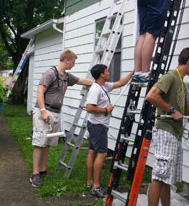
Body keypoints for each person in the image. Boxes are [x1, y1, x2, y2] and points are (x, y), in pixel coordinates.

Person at [146, 47, 189, 206]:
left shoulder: (181, 81)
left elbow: (185, 107)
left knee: (167, 178)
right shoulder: (171, 77)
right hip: (165, 131)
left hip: (174, 133)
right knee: (159, 177)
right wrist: (172, 111)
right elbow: (151, 96)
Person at [30, 49, 93, 187]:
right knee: (39, 143)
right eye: (73, 62)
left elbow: (82, 80)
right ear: (66, 60)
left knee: (47, 143)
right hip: (45, 112)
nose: (74, 65)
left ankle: (42, 170)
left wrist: (98, 83)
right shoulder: (50, 73)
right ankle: (34, 174)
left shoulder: (66, 76)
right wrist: (43, 111)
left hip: (56, 113)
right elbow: (40, 92)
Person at [86, 64, 133, 198]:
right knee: (101, 154)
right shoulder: (96, 89)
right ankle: (95, 186)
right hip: (98, 126)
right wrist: (106, 110)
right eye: (107, 71)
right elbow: (89, 108)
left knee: (92, 151)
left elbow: (120, 83)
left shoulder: (104, 86)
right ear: (101, 74)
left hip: (95, 125)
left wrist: (132, 73)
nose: (109, 73)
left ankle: (89, 181)